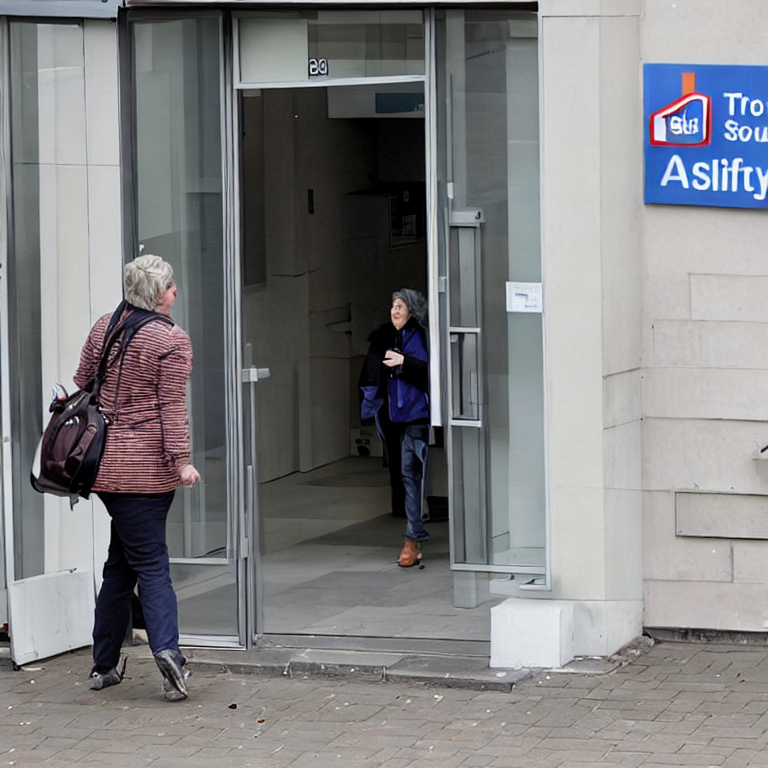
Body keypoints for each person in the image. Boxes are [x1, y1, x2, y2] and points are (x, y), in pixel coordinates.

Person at [74, 254, 200, 702]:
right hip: (146, 473)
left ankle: (103, 665)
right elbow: (171, 407)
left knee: (119, 564)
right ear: (158, 294)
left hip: (104, 467)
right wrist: (182, 461)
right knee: (153, 566)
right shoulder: (170, 340)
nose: (176, 292)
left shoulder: (104, 326)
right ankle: (168, 653)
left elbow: (82, 380)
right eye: (170, 286)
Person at [359, 289, 430, 567]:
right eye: (393, 306)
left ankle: (412, 539)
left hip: (417, 417)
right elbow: (370, 376)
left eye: (400, 306)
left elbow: (432, 372)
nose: (395, 311)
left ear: (412, 310)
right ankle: (413, 535)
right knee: (404, 476)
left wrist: (405, 363)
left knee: (411, 473)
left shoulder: (421, 337)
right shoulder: (384, 337)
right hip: (392, 419)